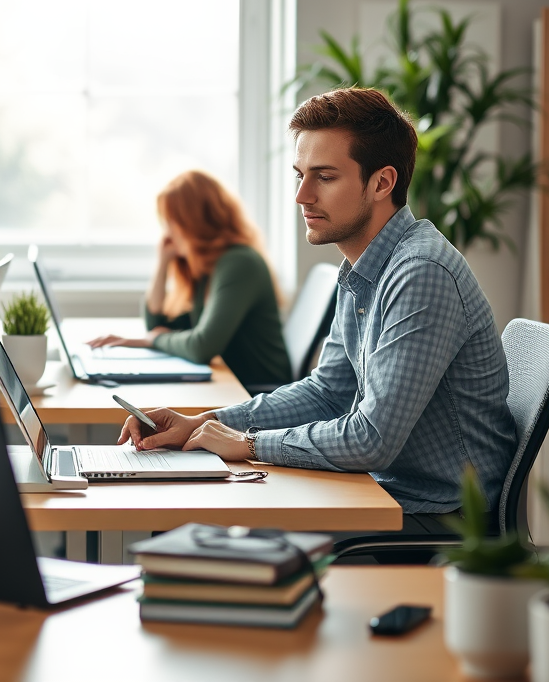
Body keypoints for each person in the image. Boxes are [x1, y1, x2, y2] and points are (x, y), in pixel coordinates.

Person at [117, 88, 516, 532]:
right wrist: (204, 423)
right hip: (385, 490)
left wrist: (248, 444)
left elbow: (372, 439)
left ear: (382, 183)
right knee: (212, 517)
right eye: (299, 175)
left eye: (324, 177)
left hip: (441, 517)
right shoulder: (364, 266)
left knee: (223, 530)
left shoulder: (421, 273)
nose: (302, 196)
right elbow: (327, 393)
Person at [89, 170, 292, 393]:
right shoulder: (207, 266)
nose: (168, 233)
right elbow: (157, 324)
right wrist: (163, 262)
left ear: (195, 223)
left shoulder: (239, 263)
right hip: (231, 385)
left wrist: (154, 340)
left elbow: (202, 347)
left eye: (172, 222)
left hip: (259, 392)